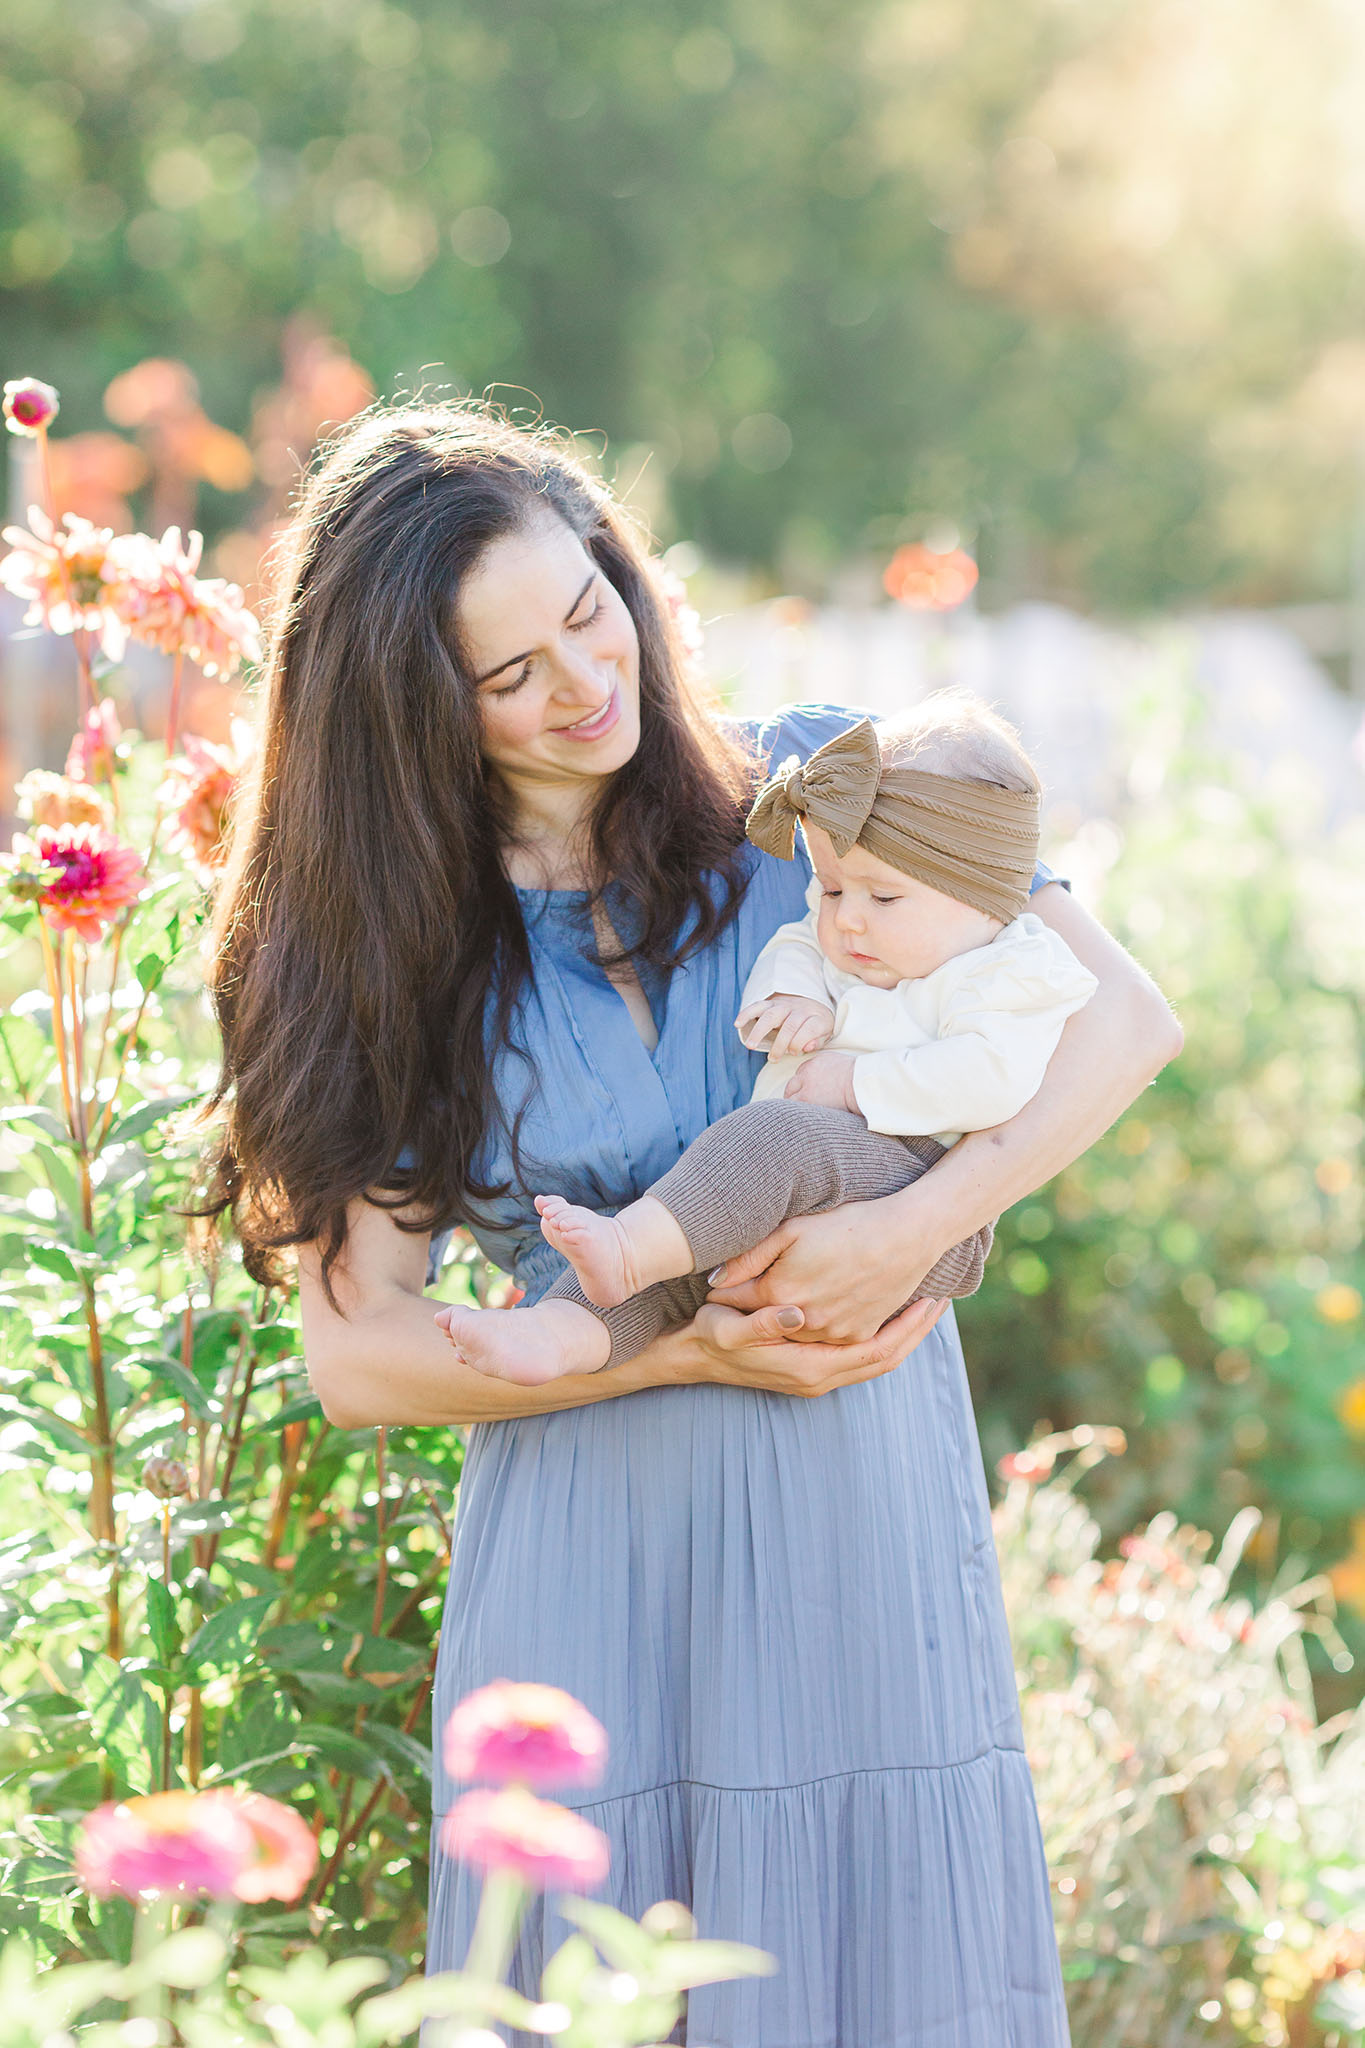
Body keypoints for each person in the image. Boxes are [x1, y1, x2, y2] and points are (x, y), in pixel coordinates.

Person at [204, 400, 1182, 2048]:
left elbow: (1122, 1021)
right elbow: (359, 1356)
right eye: (507, 677)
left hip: (865, 1576)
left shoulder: (828, 783)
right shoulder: (403, 941)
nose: (583, 684)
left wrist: (922, 1218)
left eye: (588, 613)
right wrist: (678, 1359)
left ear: (621, 573)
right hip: (594, 1582)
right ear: (409, 713)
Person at [435, 701, 1099, 1383]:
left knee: (763, 1144)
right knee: (671, 1266)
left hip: (911, 1174)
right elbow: (797, 939)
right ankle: (556, 1334)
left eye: (883, 900)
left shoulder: (1012, 970)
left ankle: (629, 1249)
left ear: (982, 894)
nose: (847, 922)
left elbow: (990, 1077)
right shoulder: (852, 936)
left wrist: (850, 1084)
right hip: (784, 1195)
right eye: (834, 889)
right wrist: (797, 993)